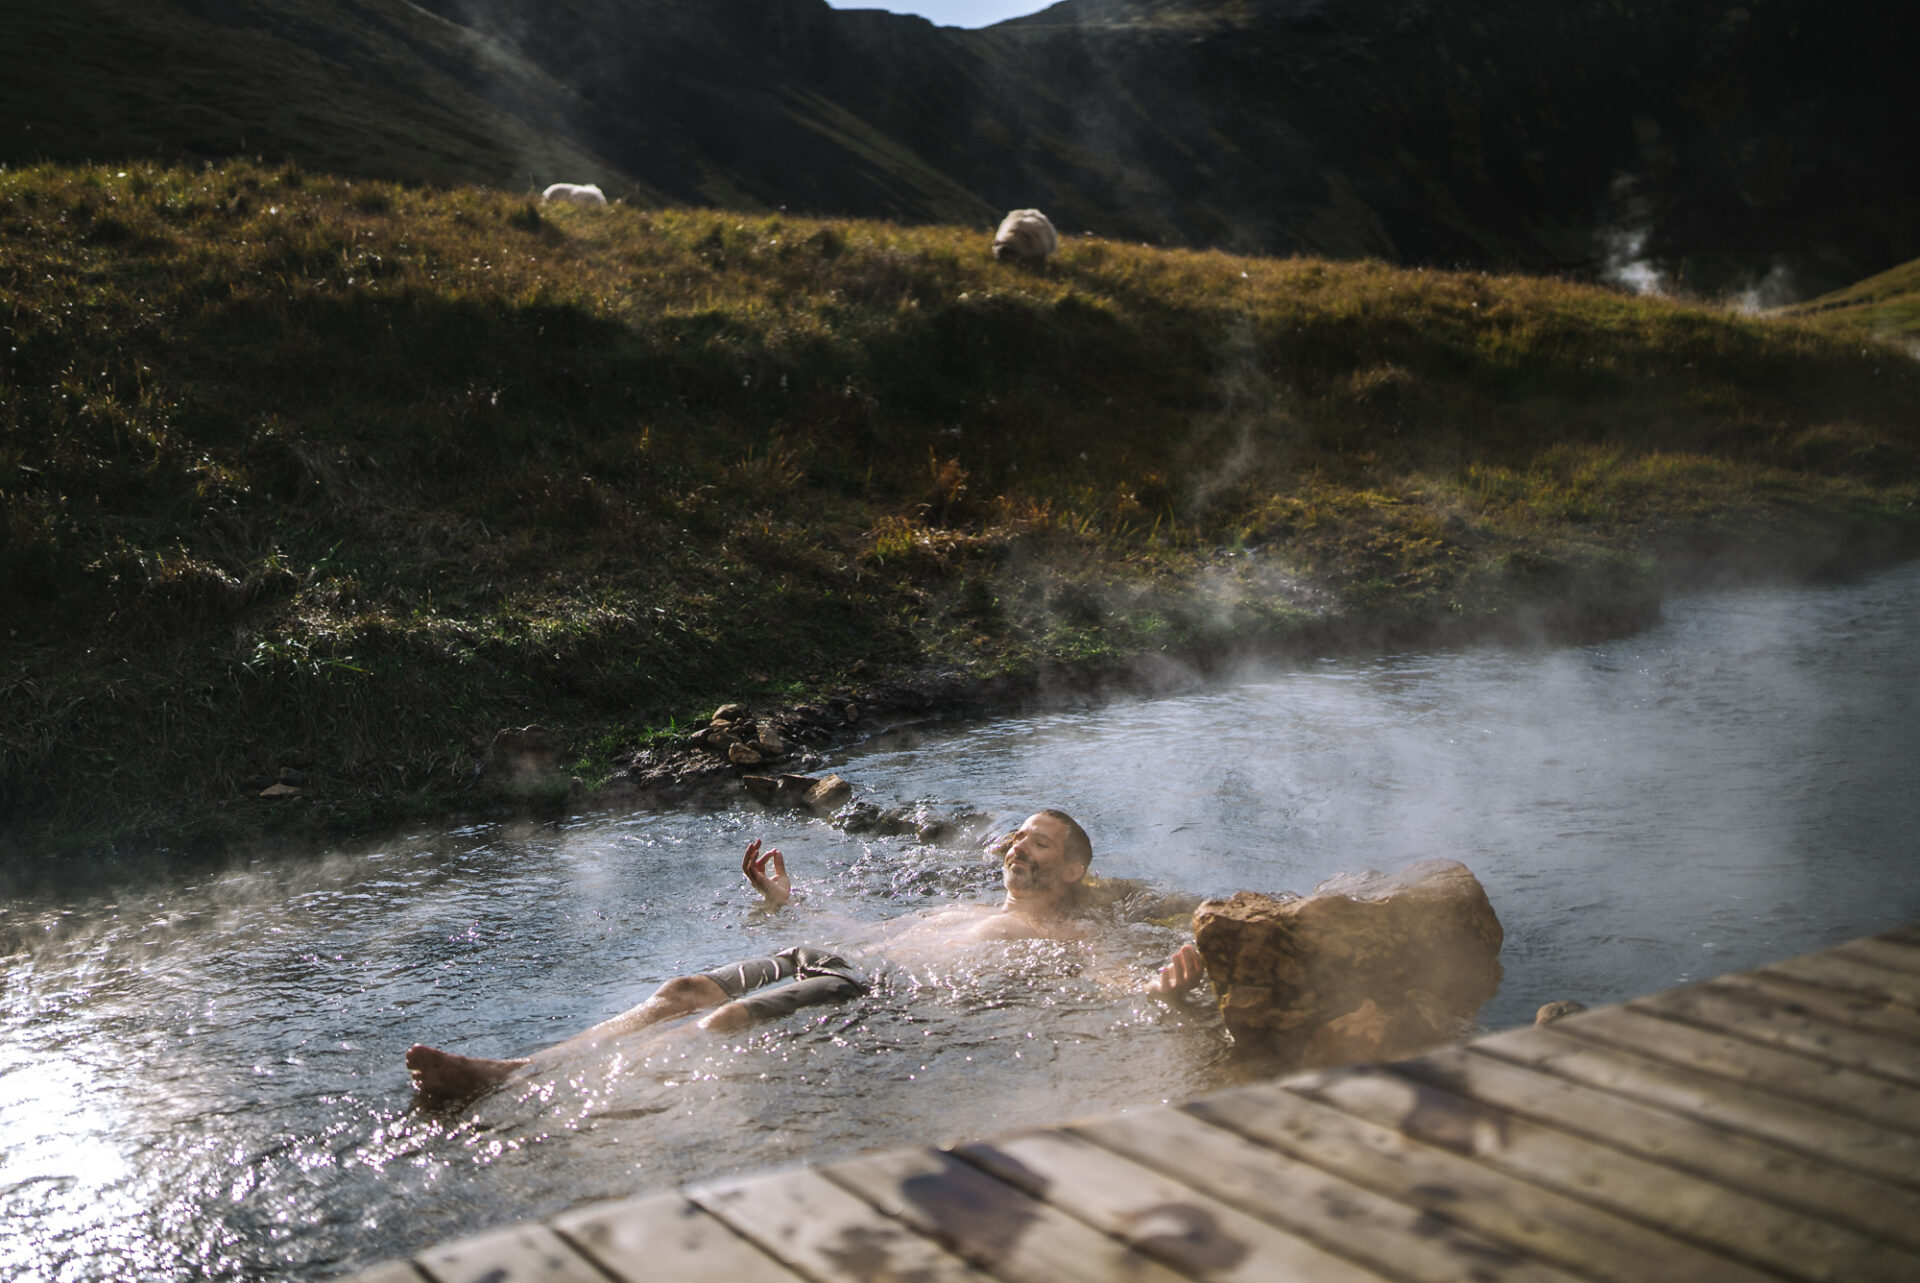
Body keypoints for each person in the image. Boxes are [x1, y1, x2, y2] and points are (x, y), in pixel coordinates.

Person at [406, 809, 1206, 1101]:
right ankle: (517, 1069)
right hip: (833, 953)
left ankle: (573, 1107)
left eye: (1043, 840)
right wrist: (789, 903)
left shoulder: (1066, 933)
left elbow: (1112, 977)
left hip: (872, 988)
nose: (1018, 844)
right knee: (683, 986)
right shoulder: (961, 904)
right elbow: (870, 931)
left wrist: (1156, 986)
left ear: (1073, 870)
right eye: (1018, 833)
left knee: (726, 1021)